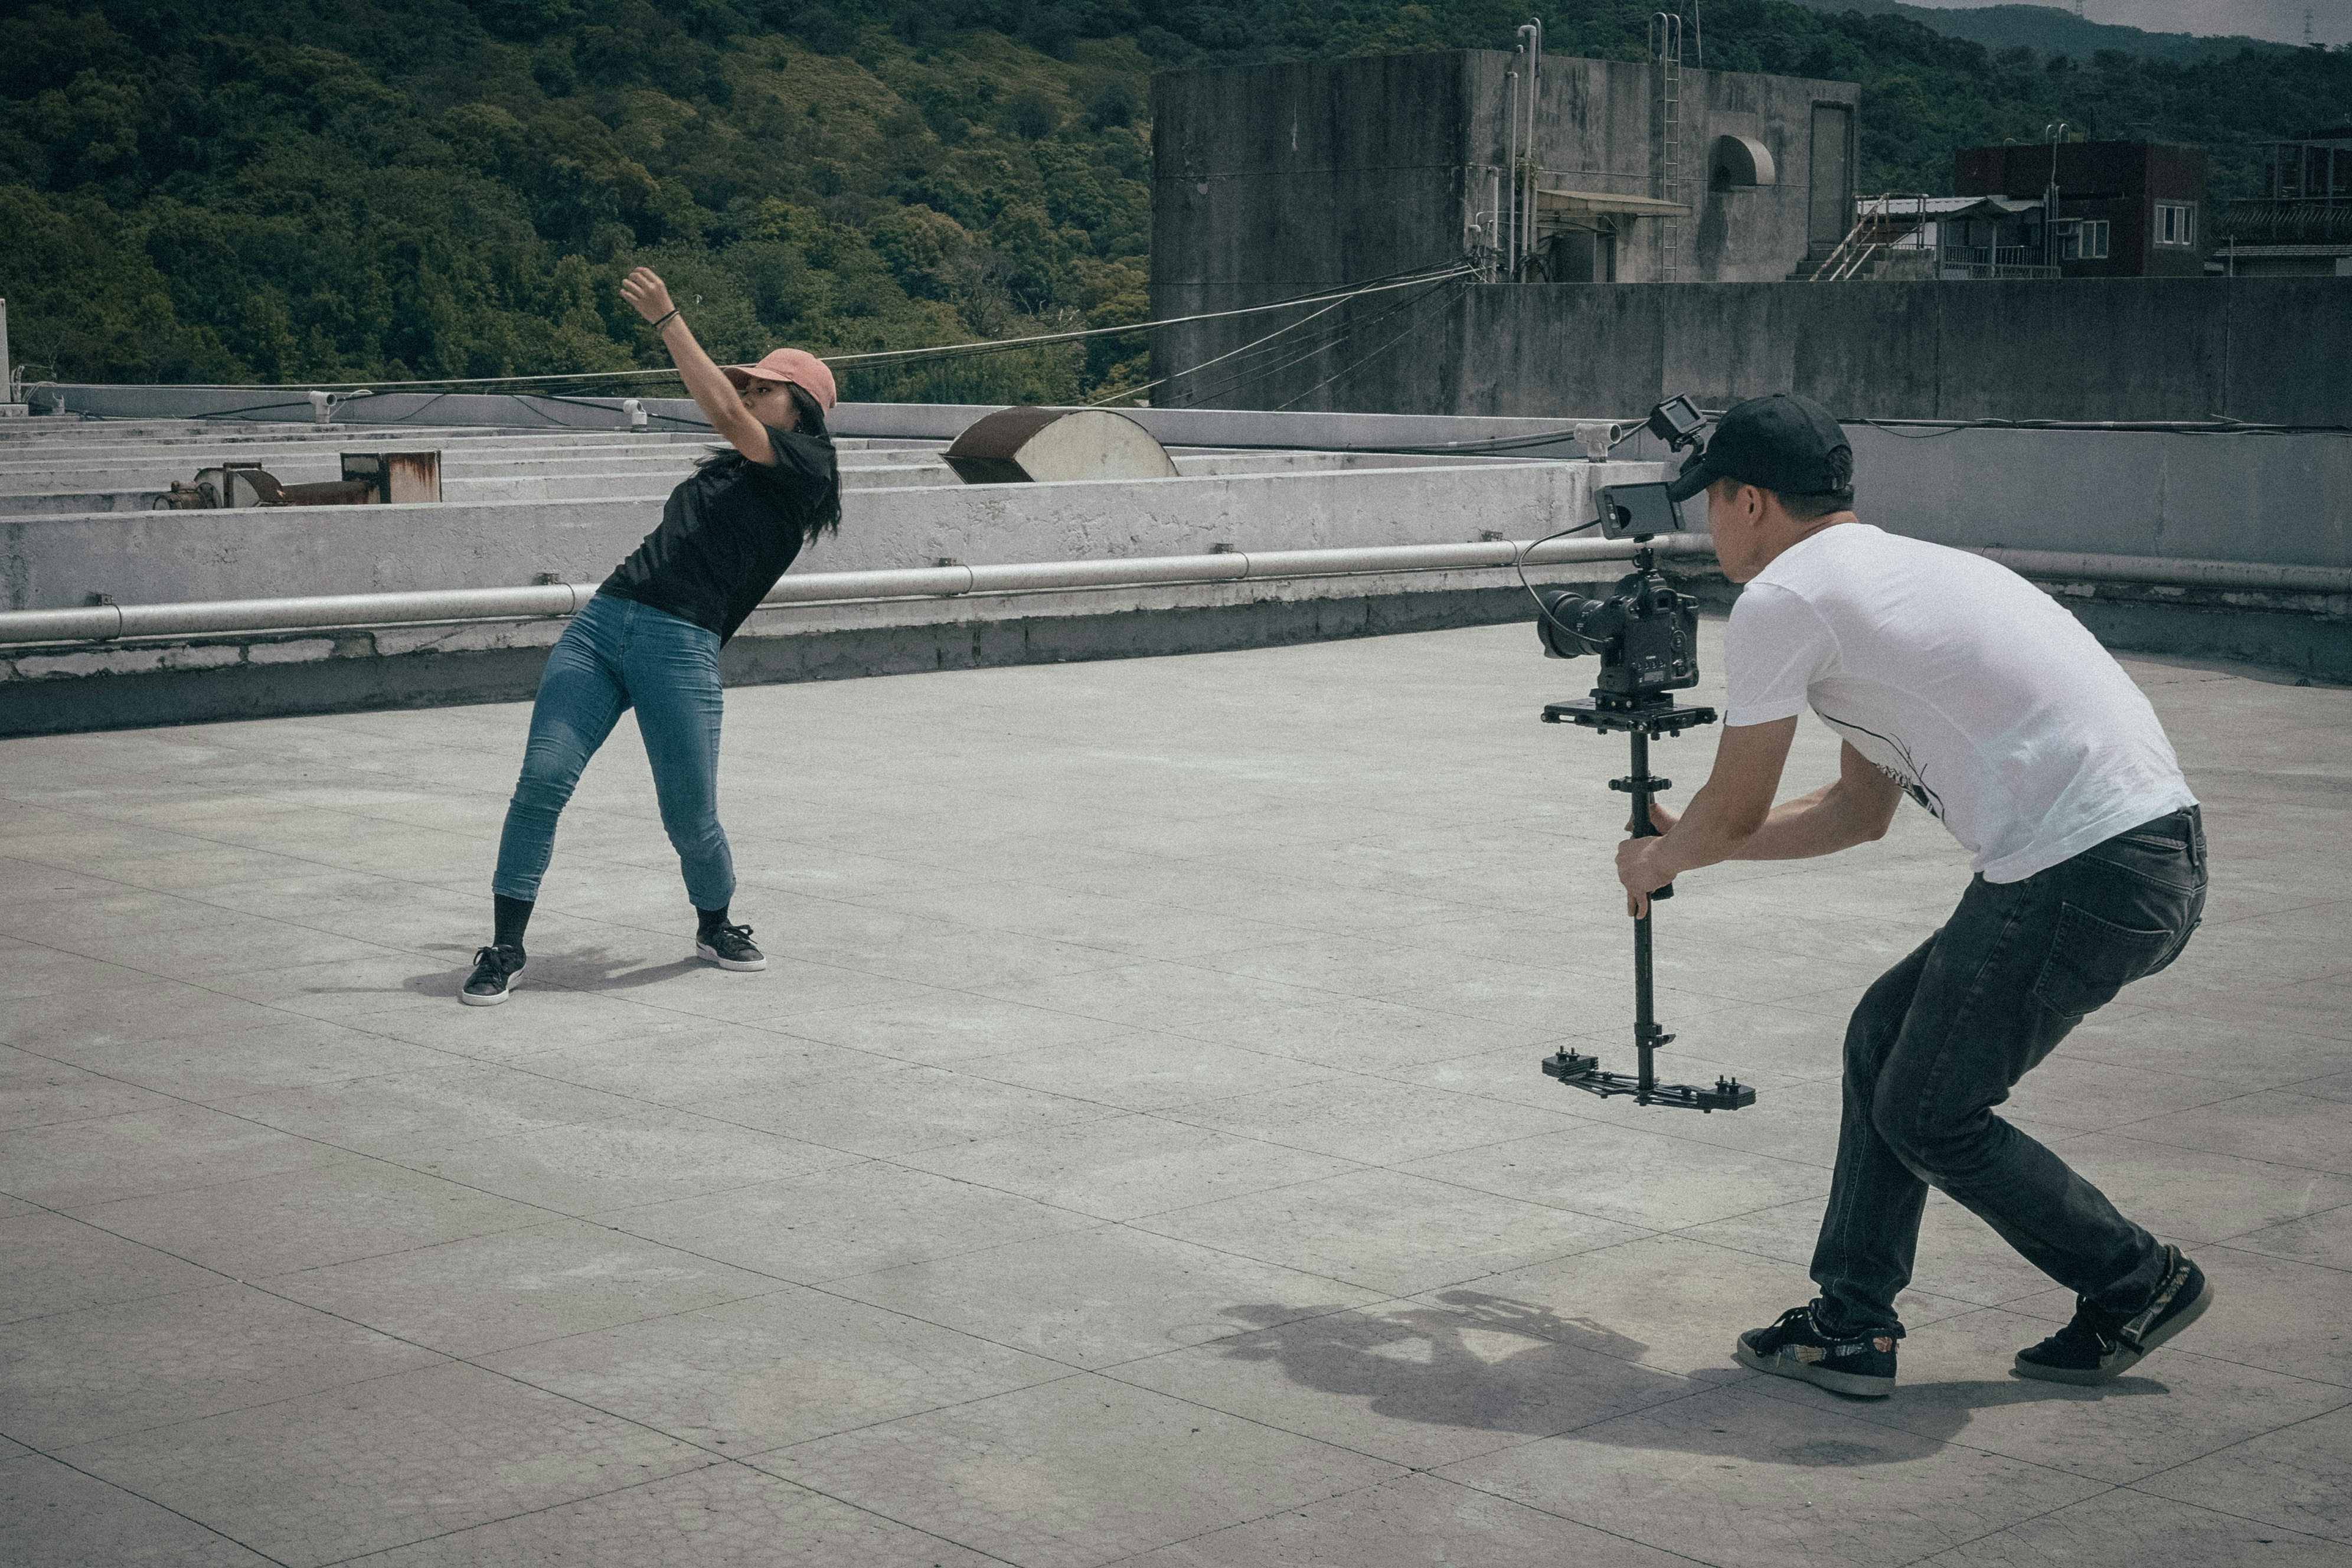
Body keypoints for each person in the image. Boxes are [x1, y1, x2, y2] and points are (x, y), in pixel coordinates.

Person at [1615, 393, 2211, 1397]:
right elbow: (1855, 813)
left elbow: (1733, 807)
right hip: (2138, 855)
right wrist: (1694, 844)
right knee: (1884, 1039)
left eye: (1706, 500)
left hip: (2080, 867)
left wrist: (1661, 859)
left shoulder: (1783, 600)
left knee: (1931, 1114)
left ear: (1748, 501)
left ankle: (2135, 1277)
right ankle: (1849, 1323)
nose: (1700, 523)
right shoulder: (1893, 580)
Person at [460, 267, 843, 1005]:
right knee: (541, 782)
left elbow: (730, 418)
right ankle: (505, 946)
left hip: (680, 645)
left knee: (690, 816)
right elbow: (731, 429)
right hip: (604, 622)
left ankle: (716, 921)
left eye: (763, 388)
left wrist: (669, 320)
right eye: (749, 386)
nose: (748, 395)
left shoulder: (809, 468)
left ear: (802, 408)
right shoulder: (732, 468)